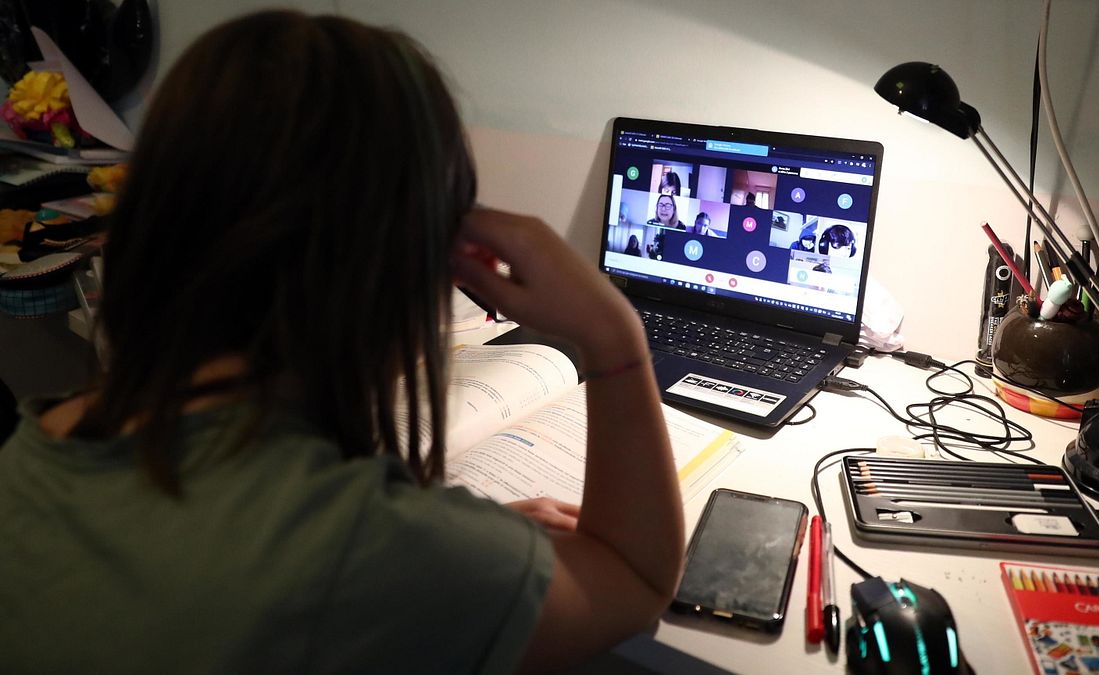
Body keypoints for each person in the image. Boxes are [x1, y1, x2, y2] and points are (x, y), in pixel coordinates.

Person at [0, 11, 684, 673]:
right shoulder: (369, 553)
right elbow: (633, 575)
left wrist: (455, 544)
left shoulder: (31, 454)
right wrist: (614, 332)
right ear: (400, 267)